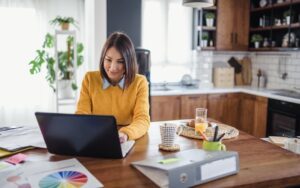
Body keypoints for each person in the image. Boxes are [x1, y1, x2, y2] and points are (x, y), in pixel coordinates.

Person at [76, 32, 150, 143]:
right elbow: (82, 115)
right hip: (95, 137)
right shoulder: (89, 79)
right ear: (103, 58)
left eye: (120, 62)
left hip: (127, 139)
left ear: (128, 63)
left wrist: (125, 134)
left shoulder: (140, 82)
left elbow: (143, 119)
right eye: (108, 60)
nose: (112, 68)